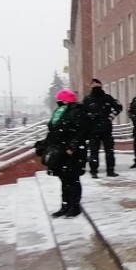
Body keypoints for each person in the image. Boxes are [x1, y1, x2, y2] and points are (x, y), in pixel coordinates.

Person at [43, 90, 88, 218]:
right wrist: (45, 144)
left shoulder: (77, 112)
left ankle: (74, 207)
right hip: (60, 151)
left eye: (59, 100)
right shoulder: (60, 112)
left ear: (64, 101)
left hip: (73, 152)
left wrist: (72, 147)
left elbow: (83, 131)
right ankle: (65, 206)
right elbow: (53, 131)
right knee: (64, 179)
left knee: (73, 179)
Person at [82, 78, 122, 178]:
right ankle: (94, 171)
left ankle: (110, 170)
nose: (96, 88)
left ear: (101, 86)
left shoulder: (108, 98)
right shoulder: (87, 99)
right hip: (93, 130)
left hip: (106, 129)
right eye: (94, 86)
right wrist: (88, 117)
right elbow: (82, 113)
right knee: (94, 152)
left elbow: (119, 107)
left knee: (109, 151)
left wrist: (111, 117)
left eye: (97, 86)